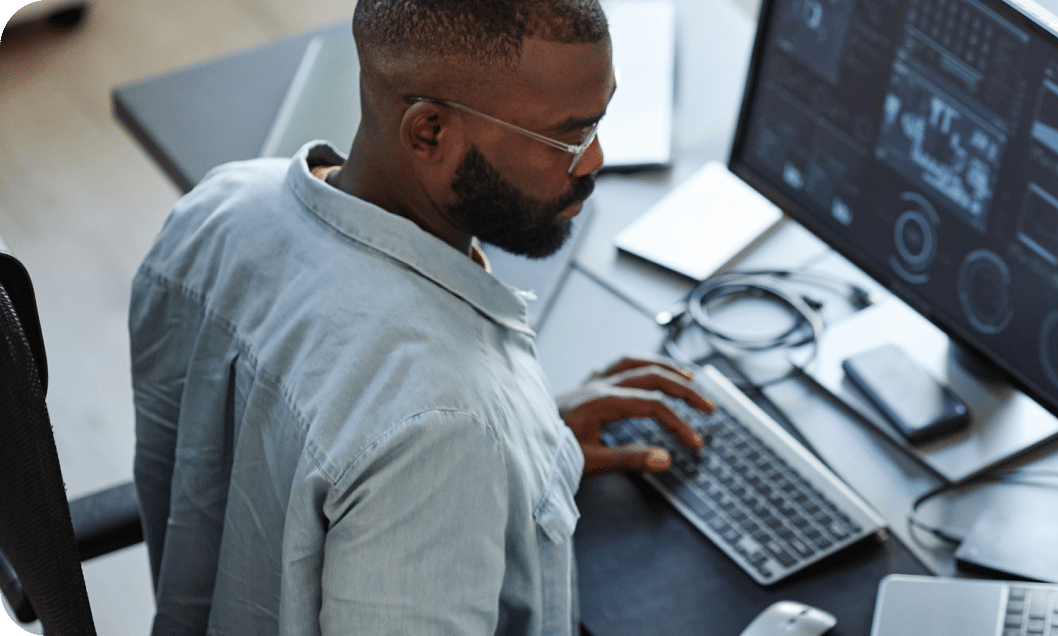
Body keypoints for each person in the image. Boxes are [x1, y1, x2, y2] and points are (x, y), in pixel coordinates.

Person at [128, 0, 708, 633]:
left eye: (599, 120)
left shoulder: (218, 206)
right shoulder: (444, 429)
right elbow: (412, 428)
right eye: (569, 137)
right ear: (430, 131)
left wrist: (529, 451)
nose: (594, 160)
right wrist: (466, 457)